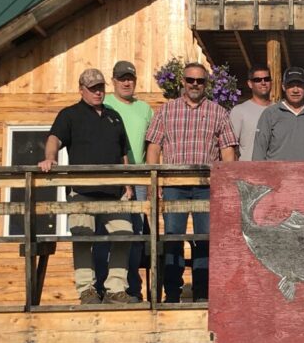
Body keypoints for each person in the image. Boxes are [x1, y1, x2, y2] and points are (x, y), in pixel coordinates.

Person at [38, 68, 134, 304]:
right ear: (81, 90)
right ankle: (86, 290)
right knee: (82, 236)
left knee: (125, 234)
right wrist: (50, 157)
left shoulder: (114, 116)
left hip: (114, 192)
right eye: (92, 88)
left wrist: (128, 183)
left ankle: (115, 289)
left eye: (100, 87)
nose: (97, 92)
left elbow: (123, 154)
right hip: (81, 190)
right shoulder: (69, 114)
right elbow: (54, 139)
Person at [145, 61, 238, 303]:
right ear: (183, 82)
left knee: (205, 239)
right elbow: (154, 148)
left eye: (200, 81)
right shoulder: (166, 110)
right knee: (173, 238)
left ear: (206, 84)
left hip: (207, 187)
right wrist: (152, 184)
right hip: (173, 184)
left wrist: (226, 186)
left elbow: (228, 151)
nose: (195, 84)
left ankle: (203, 294)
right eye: (190, 80)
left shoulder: (219, 112)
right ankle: (172, 294)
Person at [92, 60, 153, 301]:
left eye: (131, 78)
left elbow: (152, 146)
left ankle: (131, 289)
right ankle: (102, 288)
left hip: (138, 176)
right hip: (109, 177)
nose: (127, 82)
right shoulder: (103, 104)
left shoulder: (145, 109)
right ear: (113, 81)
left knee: (136, 236)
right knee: (104, 235)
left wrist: (149, 179)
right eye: (121, 78)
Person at [253, 67, 304, 161]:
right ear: (283, 87)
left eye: (299, 85)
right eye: (291, 85)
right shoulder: (270, 114)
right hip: (277, 175)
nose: (295, 90)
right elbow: (259, 153)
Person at [230, 64, 273, 161]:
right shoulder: (239, 111)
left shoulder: (279, 110)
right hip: (247, 172)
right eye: (257, 80)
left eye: (267, 79)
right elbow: (231, 147)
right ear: (250, 84)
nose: (263, 83)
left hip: (275, 172)